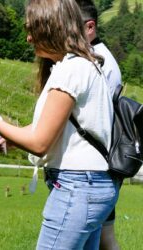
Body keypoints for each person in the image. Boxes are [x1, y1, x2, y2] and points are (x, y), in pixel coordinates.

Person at [0, 0, 120, 249]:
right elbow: (52, 129)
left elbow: (39, 143)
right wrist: (8, 136)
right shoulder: (89, 64)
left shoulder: (70, 70)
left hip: (76, 188)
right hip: (94, 185)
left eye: (34, 30)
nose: (28, 38)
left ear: (52, 29)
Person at [76, 1, 122, 249]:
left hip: (95, 167)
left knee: (101, 239)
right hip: (101, 165)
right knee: (104, 239)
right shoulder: (99, 58)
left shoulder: (99, 63)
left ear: (89, 27)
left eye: (69, 26)